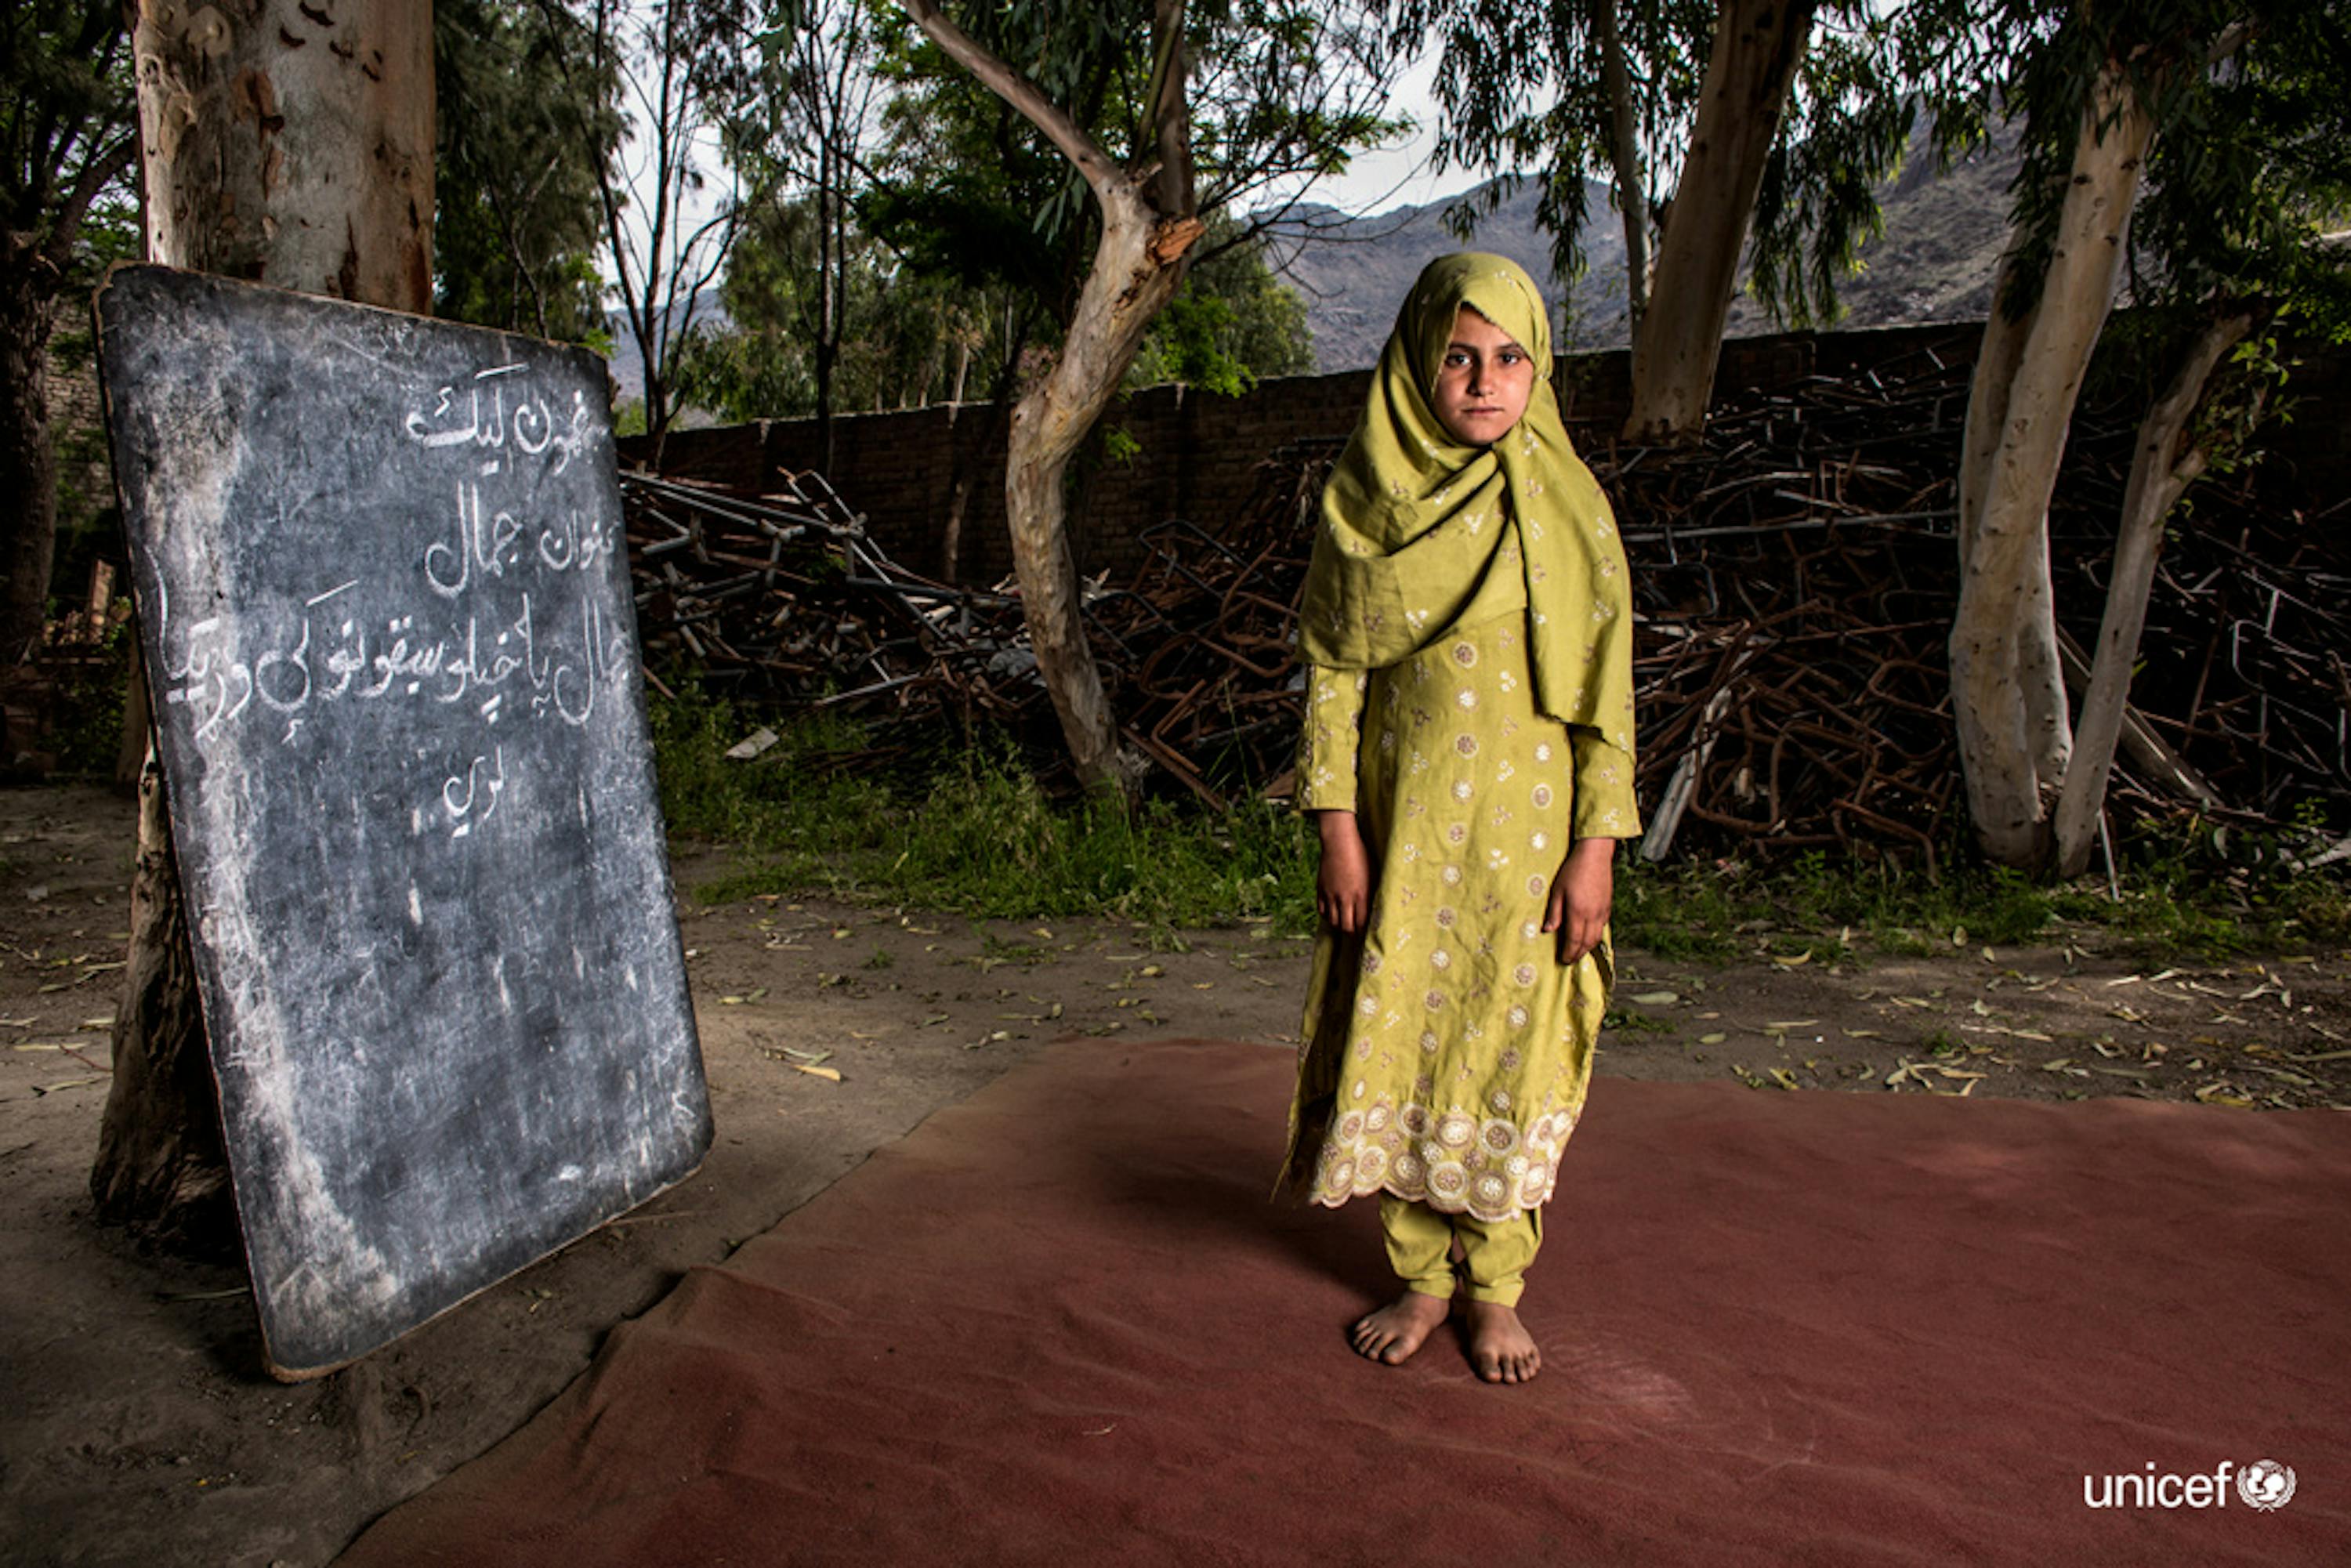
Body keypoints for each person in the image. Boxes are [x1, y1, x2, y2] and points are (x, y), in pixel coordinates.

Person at [1279, 252, 1640, 1385]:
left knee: (1509, 1052)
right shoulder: (1365, 502)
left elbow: (1606, 698)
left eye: (1511, 358)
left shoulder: (1571, 508)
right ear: (1413, 365)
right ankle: (1422, 1276)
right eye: (1459, 358)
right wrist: (1339, 824)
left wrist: (1595, 852)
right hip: (1407, 842)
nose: (1485, 381)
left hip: (1530, 857)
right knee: (1406, 1033)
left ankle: (1498, 1285)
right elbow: (1333, 672)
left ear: (1539, 370)